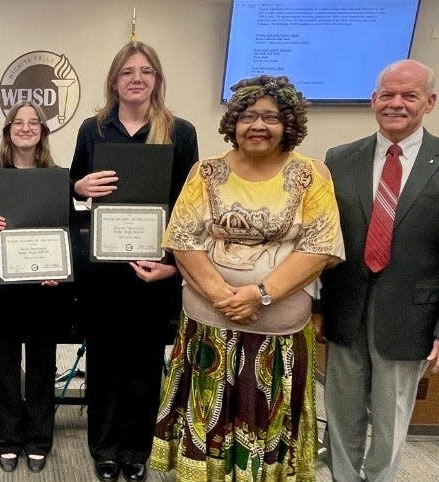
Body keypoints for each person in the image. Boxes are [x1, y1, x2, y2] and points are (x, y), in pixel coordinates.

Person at [149, 75, 344, 480]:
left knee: (264, 413)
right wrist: (223, 293)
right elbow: (184, 238)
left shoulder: (311, 175)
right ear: (233, 122)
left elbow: (320, 246)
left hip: (278, 326)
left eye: (271, 117)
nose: (259, 125)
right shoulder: (206, 173)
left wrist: (259, 294)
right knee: (208, 409)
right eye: (249, 116)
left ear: (288, 123)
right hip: (209, 322)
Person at [69, 41, 198, 482]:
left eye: (145, 71)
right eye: (127, 72)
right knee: (103, 362)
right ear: (114, 81)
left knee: (144, 366)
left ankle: (136, 450)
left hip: (153, 269)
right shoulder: (93, 130)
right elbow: (72, 190)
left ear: (157, 80)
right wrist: (79, 188)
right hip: (103, 270)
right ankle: (104, 449)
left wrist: (175, 267)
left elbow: (190, 208)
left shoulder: (180, 132)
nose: (136, 78)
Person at [320, 59, 439, 482]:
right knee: (340, 418)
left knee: (389, 426)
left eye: (409, 95)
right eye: (387, 94)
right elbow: (324, 237)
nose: (396, 104)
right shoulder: (339, 159)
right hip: (346, 309)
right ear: (373, 101)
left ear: (429, 101)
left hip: (411, 317)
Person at [0, 100, 72, 474]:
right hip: (3, 287)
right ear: (8, 130)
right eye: (19, 121)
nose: (27, 127)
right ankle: (8, 439)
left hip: (44, 286)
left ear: (43, 132)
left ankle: (39, 439)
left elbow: (64, 231)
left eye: (35, 122)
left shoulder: (58, 177)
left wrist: (58, 269)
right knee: (6, 366)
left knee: (42, 365)